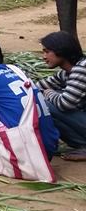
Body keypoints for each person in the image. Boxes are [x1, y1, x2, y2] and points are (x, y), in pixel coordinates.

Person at [35, 31, 86, 161]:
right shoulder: (67, 72)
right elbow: (37, 86)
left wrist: (49, 93)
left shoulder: (81, 70)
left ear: (61, 50)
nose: (44, 56)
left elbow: (65, 103)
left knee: (44, 103)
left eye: (47, 52)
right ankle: (82, 145)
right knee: (43, 99)